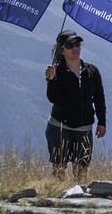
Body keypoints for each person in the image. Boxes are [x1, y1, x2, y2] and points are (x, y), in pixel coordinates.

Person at [45, 30, 106, 181]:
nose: (75, 48)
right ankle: (58, 200)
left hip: (84, 129)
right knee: (59, 169)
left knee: (81, 172)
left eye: (77, 44)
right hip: (59, 127)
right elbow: (53, 98)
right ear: (62, 50)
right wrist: (51, 80)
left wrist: (102, 122)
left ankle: (80, 201)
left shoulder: (92, 71)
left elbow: (99, 98)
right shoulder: (56, 71)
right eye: (70, 45)